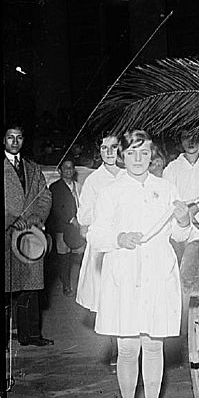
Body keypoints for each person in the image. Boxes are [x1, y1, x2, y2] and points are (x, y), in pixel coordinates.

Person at [88, 130, 191, 398]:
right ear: (122, 156)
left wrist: (184, 220)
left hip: (158, 272)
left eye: (144, 152)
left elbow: (180, 235)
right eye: (131, 153)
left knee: (154, 346)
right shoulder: (111, 191)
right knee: (128, 347)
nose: (138, 158)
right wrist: (119, 238)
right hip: (125, 271)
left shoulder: (166, 188)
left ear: (151, 155)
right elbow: (96, 235)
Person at [4, 125, 53, 347]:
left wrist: (37, 216)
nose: (15, 142)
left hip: (30, 236)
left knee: (31, 286)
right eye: (10, 137)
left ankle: (30, 335)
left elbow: (45, 196)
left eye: (19, 137)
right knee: (6, 288)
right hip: (6, 235)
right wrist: (11, 218)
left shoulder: (33, 168)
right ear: (4, 140)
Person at [76, 134, 124, 314]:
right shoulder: (94, 180)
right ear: (99, 151)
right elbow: (85, 216)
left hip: (128, 241)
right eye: (104, 148)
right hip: (104, 241)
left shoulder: (129, 175)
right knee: (105, 298)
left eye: (114, 147)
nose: (110, 152)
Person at [47, 158, 85, 296]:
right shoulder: (54, 187)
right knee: (63, 258)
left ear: (74, 170)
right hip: (62, 228)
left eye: (71, 167)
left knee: (80, 255)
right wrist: (71, 219)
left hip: (77, 228)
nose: (69, 170)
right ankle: (66, 286)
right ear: (60, 171)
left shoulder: (78, 186)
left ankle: (81, 286)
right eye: (65, 167)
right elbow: (56, 208)